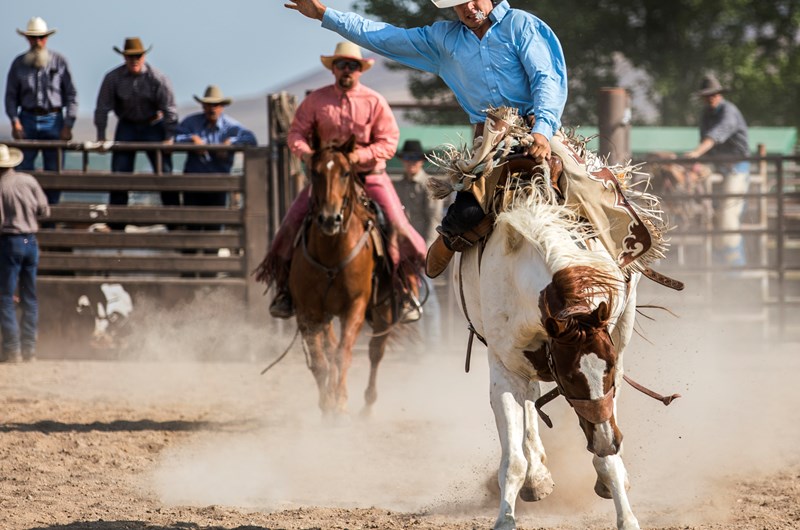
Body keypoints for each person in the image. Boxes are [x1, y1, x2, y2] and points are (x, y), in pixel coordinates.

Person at [285, 0, 666, 284]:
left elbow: (546, 79)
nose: (468, 8)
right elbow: (385, 36)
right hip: (491, 141)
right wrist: (325, 15)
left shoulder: (521, 25)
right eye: (457, 3)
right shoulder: (442, 40)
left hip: (539, 130)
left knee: (591, 186)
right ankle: (449, 240)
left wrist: (542, 130)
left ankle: (624, 256)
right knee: (468, 210)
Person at [257, 41, 427, 320]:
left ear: (360, 70)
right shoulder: (316, 101)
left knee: (398, 224)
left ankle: (407, 289)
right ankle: (285, 290)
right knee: (291, 221)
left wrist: (359, 156)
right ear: (333, 69)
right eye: (341, 64)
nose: (347, 70)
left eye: (352, 65)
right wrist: (308, 155)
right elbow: (296, 133)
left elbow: (388, 141)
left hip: (370, 176)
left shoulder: (374, 102)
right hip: (328, 178)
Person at [94, 37, 178, 211]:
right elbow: (102, 108)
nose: (134, 60)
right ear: (124, 57)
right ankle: (118, 219)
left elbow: (170, 109)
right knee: (120, 172)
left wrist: (169, 137)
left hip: (153, 125)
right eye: (130, 56)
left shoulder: (157, 78)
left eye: (138, 56)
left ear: (144, 57)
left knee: (164, 172)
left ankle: (173, 217)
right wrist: (101, 136)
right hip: (127, 125)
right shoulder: (113, 78)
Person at [5, 16, 78, 205]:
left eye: (41, 37)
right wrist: (15, 121)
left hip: (54, 118)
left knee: (55, 169)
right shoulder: (18, 64)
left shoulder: (59, 62)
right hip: (27, 118)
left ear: (46, 38)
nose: (37, 41)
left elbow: (71, 94)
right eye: (33, 37)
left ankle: (52, 210)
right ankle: (27, 208)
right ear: (27, 39)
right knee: (23, 168)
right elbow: (10, 96)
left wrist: (68, 124)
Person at [685, 73, 750, 266]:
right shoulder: (706, 115)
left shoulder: (728, 112)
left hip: (736, 167)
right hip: (718, 167)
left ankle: (735, 265)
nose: (710, 97)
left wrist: (696, 153)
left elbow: (714, 136)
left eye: (713, 94)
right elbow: (707, 142)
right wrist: (698, 161)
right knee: (713, 215)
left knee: (728, 217)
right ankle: (720, 262)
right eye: (707, 95)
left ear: (719, 94)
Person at [174, 85, 257, 228]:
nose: (212, 108)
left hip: (219, 182)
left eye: (216, 105)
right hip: (193, 182)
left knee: (215, 224)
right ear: (203, 106)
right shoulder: (191, 122)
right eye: (208, 105)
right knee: (192, 225)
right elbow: (174, 138)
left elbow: (251, 139)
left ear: (222, 107)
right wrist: (191, 140)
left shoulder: (231, 126)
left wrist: (231, 144)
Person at [0, 144, 50, 362]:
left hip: (10, 240)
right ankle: (29, 349)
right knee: (29, 296)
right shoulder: (29, 180)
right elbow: (44, 210)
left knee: (5, 297)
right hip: (31, 240)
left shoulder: (1, 186)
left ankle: (12, 349)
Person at [393, 139, 445, 343]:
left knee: (426, 296)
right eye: (407, 158)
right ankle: (414, 345)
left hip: (422, 250)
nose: (411, 162)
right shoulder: (398, 186)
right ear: (403, 160)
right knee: (407, 299)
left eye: (414, 158)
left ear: (421, 161)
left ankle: (432, 346)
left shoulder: (429, 185)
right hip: (402, 251)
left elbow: (434, 220)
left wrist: (427, 251)